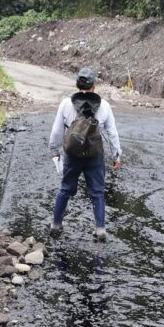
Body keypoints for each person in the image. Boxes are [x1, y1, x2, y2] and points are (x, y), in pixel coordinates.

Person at [48, 67, 121, 241]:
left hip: (73, 153)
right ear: (94, 86)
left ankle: (56, 225)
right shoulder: (104, 105)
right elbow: (112, 132)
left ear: (76, 84)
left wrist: (54, 150)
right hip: (94, 154)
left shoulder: (66, 104)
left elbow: (57, 130)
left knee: (65, 189)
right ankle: (101, 229)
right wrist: (117, 155)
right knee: (97, 192)